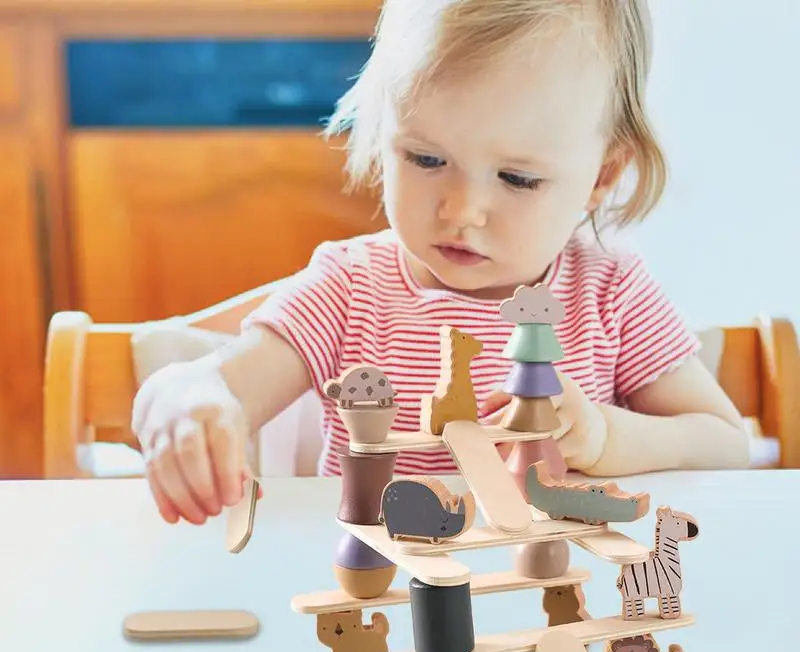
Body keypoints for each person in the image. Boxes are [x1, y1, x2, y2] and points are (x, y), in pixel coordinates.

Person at [132, 0, 749, 526]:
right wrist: (185, 397)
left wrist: (608, 438)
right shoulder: (349, 288)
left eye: (517, 178)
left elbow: (724, 443)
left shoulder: (611, 294)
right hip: (375, 595)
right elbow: (216, 381)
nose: (463, 211)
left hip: (560, 597)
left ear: (602, 176)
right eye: (425, 160)